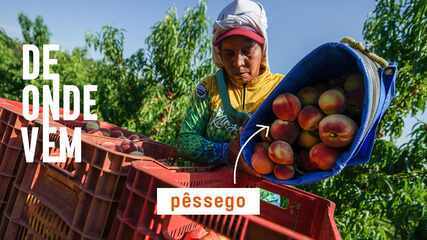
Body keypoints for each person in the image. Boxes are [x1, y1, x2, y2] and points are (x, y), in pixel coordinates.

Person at [177, 0, 283, 203]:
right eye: (229, 53)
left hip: (259, 202)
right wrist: (226, 152)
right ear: (219, 54)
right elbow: (185, 140)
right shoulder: (209, 88)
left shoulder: (281, 90)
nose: (238, 62)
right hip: (207, 199)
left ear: (262, 48)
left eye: (247, 51)